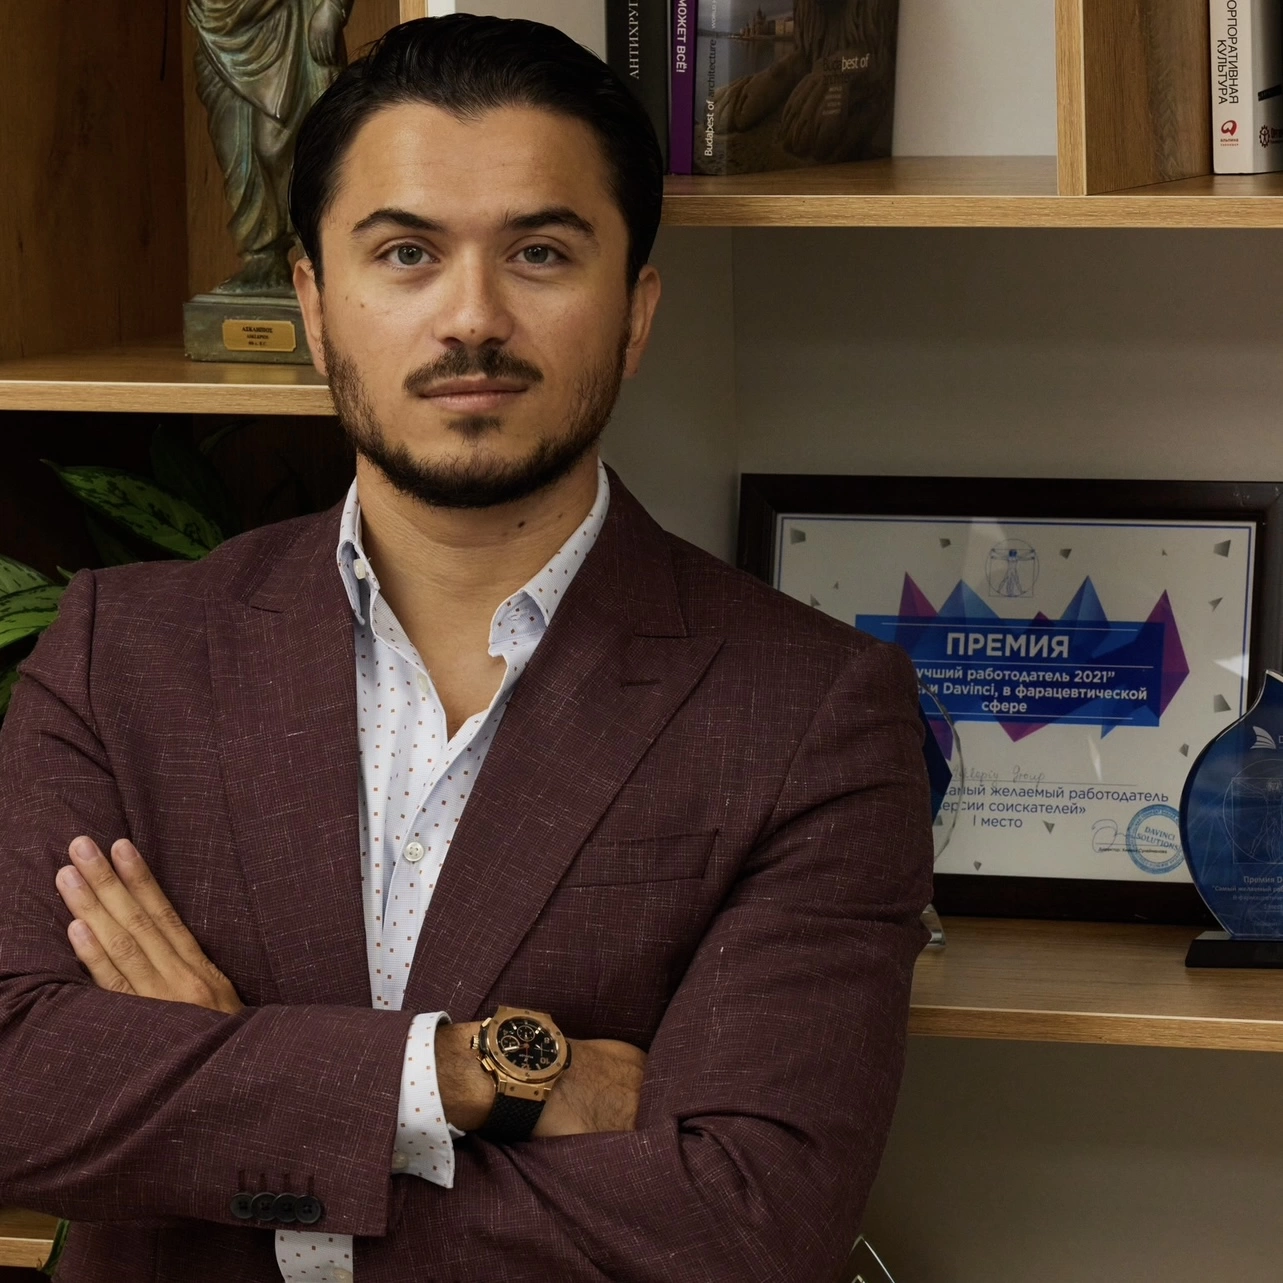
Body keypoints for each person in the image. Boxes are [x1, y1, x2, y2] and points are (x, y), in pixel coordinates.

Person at [0, 16, 933, 1283]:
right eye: (406, 253)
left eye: (540, 253)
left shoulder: (811, 711)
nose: (472, 318)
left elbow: (743, 1225)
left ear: (635, 312)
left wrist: (233, 1102)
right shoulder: (124, 654)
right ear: (314, 305)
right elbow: (19, 1087)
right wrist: (464, 1072)